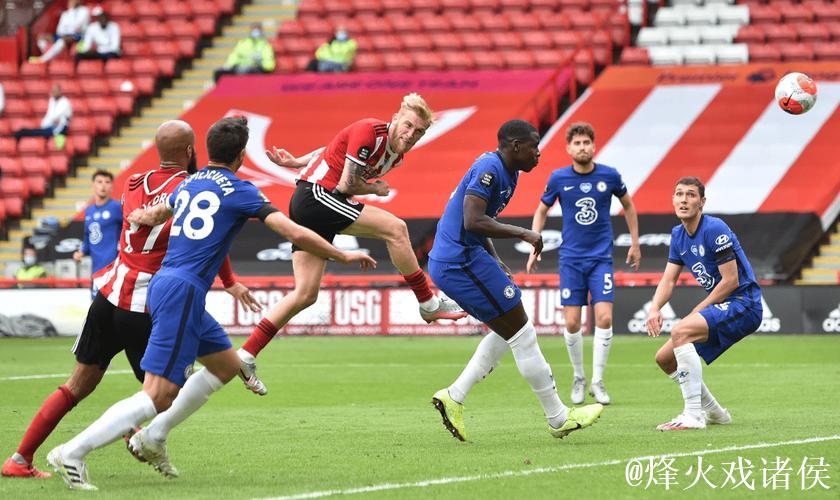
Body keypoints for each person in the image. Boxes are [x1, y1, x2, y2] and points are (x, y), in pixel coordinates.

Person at [46, 117, 377, 490]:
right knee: (157, 396)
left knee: (225, 365)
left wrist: (138, 216)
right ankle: (72, 452)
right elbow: (293, 231)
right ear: (240, 155)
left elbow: (156, 213)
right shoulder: (241, 190)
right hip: (182, 292)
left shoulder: (190, 182)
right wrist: (340, 254)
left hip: (166, 284)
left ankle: (154, 437)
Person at [0, 120, 258, 480]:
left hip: (109, 296)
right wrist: (229, 282)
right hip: (146, 305)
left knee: (76, 386)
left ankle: (19, 458)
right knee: (162, 394)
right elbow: (208, 239)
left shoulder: (134, 182)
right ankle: (119, 441)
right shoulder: (192, 188)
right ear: (189, 151)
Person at [234, 93, 466, 396]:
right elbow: (347, 184)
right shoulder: (369, 131)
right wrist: (375, 188)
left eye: (419, 132)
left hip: (315, 201)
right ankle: (428, 303)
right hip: (317, 197)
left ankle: (246, 355)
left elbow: (332, 149)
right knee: (396, 229)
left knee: (305, 294)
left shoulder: (395, 155)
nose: (411, 135)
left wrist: (297, 161)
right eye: (408, 125)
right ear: (395, 118)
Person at [429, 120, 603, 441]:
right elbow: (472, 219)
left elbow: (482, 221)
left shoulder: (509, 173)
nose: (538, 153)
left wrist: (495, 259)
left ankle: (454, 396)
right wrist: (524, 232)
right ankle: (558, 417)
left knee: (509, 329)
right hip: (458, 261)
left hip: (468, 257)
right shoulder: (490, 169)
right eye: (534, 146)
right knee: (523, 334)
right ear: (516, 146)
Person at [526, 122, 640, 406]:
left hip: (601, 258)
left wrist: (635, 243)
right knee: (572, 321)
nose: (582, 147)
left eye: (586, 142)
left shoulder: (609, 175)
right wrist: (535, 246)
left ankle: (598, 382)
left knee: (604, 318)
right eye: (577, 143)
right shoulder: (558, 178)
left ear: (594, 145)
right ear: (568, 148)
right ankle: (579, 377)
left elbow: (628, 205)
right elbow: (541, 211)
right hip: (571, 260)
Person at [646, 177, 762, 431]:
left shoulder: (714, 228)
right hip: (724, 305)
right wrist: (655, 308)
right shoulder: (678, 235)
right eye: (679, 194)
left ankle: (693, 415)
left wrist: (696, 311)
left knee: (681, 331)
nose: (683, 200)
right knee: (665, 358)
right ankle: (715, 413)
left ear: (702, 202)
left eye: (690, 195)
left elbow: (731, 281)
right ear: (673, 200)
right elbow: (668, 279)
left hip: (744, 303)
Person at [73, 169, 121, 296]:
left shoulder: (117, 207)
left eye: (107, 182)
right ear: (93, 185)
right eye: (99, 182)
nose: (103, 185)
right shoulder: (89, 211)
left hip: (114, 269)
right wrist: (81, 252)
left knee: (114, 306)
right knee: (96, 305)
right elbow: (87, 238)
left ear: (111, 187)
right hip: (96, 271)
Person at [14, 84, 71, 148]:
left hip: (59, 128)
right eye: (53, 91)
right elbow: (50, 116)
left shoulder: (65, 102)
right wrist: (46, 124)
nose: (54, 93)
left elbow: (56, 117)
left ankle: (23, 132)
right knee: (39, 132)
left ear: (60, 91)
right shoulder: (52, 100)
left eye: (55, 91)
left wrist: (53, 121)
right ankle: (23, 132)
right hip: (51, 126)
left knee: (39, 132)